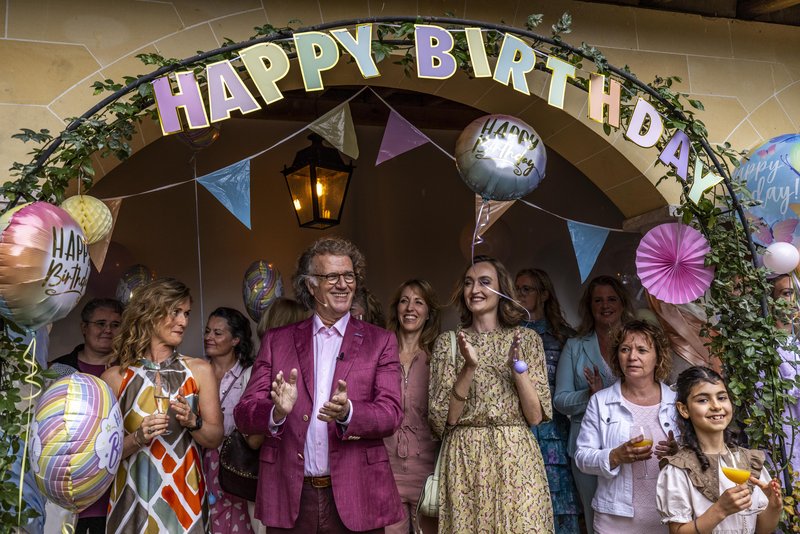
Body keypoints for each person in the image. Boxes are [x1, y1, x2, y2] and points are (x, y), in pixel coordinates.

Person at [234, 236, 404, 533]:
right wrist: (276, 412)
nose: (343, 284)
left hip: (357, 495)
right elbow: (244, 413)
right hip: (290, 496)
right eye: (331, 276)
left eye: (349, 276)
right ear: (311, 285)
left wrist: (349, 412)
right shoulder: (278, 341)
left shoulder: (381, 341)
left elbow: (391, 414)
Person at [429, 255, 554, 533]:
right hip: (465, 456)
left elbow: (535, 416)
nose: (475, 290)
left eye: (485, 282)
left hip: (516, 455)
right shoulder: (447, 343)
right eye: (469, 283)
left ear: (501, 291)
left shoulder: (527, 340)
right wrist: (469, 367)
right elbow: (446, 420)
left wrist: (517, 369)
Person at [101, 278, 224, 533]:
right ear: (149, 313)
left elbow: (214, 438)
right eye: (175, 312)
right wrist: (137, 437)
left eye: (187, 314)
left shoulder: (199, 371)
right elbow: (102, 455)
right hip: (132, 498)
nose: (183, 322)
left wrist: (194, 422)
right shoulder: (116, 378)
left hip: (183, 499)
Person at [575, 320, 679, 533]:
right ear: (617, 356)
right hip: (614, 521)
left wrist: (678, 453)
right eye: (625, 349)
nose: (632, 357)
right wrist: (615, 456)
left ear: (658, 356)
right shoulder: (600, 402)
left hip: (669, 518)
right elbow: (582, 457)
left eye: (642, 350)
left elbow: (698, 452)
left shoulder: (676, 402)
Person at [656, 366, 782, 533]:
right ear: (684, 409)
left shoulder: (748, 461)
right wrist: (720, 510)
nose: (716, 406)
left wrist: (774, 506)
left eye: (722, 397)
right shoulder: (679, 469)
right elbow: (677, 531)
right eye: (703, 400)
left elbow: (762, 529)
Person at [554, 274, 635, 532]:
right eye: (598, 300)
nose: (605, 305)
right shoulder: (576, 346)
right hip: (588, 445)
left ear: (622, 303)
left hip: (631, 439)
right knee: (596, 521)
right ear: (590, 307)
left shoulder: (638, 342)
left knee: (639, 516)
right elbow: (560, 400)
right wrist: (590, 396)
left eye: (611, 299)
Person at [515, 268, 582, 534]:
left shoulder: (564, 336)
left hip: (555, 431)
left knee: (560, 503)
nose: (518, 295)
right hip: (519, 429)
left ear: (543, 294)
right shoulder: (510, 335)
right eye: (516, 289)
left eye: (526, 289)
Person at [49, 297, 123, 534]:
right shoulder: (58, 371)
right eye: (100, 323)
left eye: (115, 324)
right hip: (68, 499)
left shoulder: (131, 372)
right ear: (84, 327)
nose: (107, 330)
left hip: (118, 496)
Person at [384, 279, 441, 534]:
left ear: (428, 313)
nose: (410, 307)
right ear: (397, 308)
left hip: (427, 474)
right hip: (386, 472)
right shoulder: (380, 354)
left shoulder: (438, 357)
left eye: (419, 302)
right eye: (405, 300)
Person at [202, 307, 256, 534]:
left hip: (233, 461)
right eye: (207, 331)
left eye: (217, 333)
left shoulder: (250, 375)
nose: (208, 338)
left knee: (236, 521)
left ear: (235, 339)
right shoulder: (196, 372)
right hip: (199, 458)